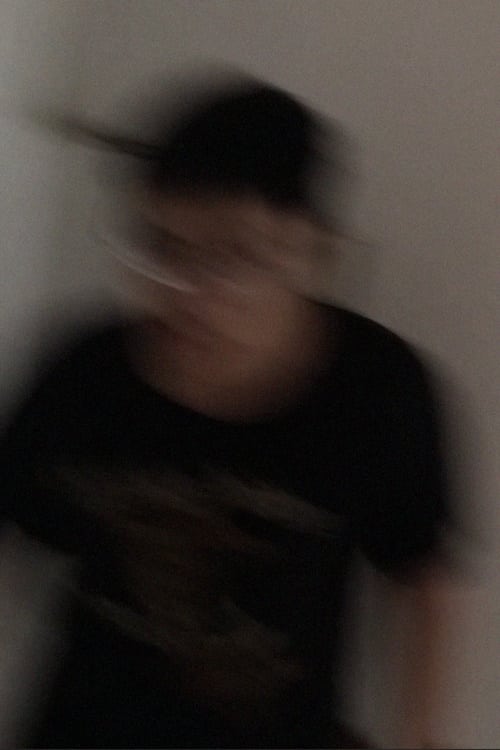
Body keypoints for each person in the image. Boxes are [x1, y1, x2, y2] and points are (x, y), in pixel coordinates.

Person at [1, 76, 451, 748]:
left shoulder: (378, 388)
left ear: (314, 253)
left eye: (235, 257)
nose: (189, 294)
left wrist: (422, 734)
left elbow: (423, 574)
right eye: (162, 248)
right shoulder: (86, 371)